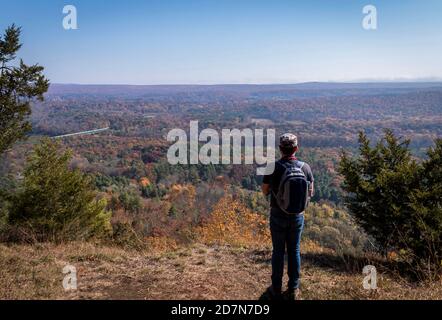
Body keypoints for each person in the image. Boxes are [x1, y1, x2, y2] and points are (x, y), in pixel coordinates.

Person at [261, 133, 314, 300]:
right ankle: (293, 288)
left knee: (278, 251)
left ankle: (276, 288)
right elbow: (311, 191)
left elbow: (265, 190)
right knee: (294, 250)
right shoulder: (305, 167)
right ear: (296, 148)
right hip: (297, 215)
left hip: (277, 213)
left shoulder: (272, 167)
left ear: (280, 149)